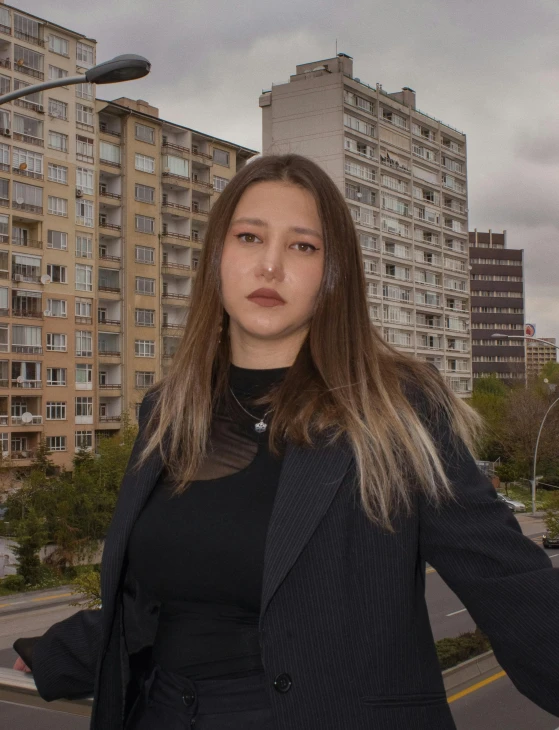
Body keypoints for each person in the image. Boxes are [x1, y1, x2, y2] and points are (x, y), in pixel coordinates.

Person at [13, 154, 559, 729]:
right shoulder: (171, 410)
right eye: (249, 237)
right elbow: (163, 596)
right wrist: (55, 656)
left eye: (303, 246)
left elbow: (508, 582)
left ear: (333, 274)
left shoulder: (394, 409)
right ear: (218, 258)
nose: (270, 266)